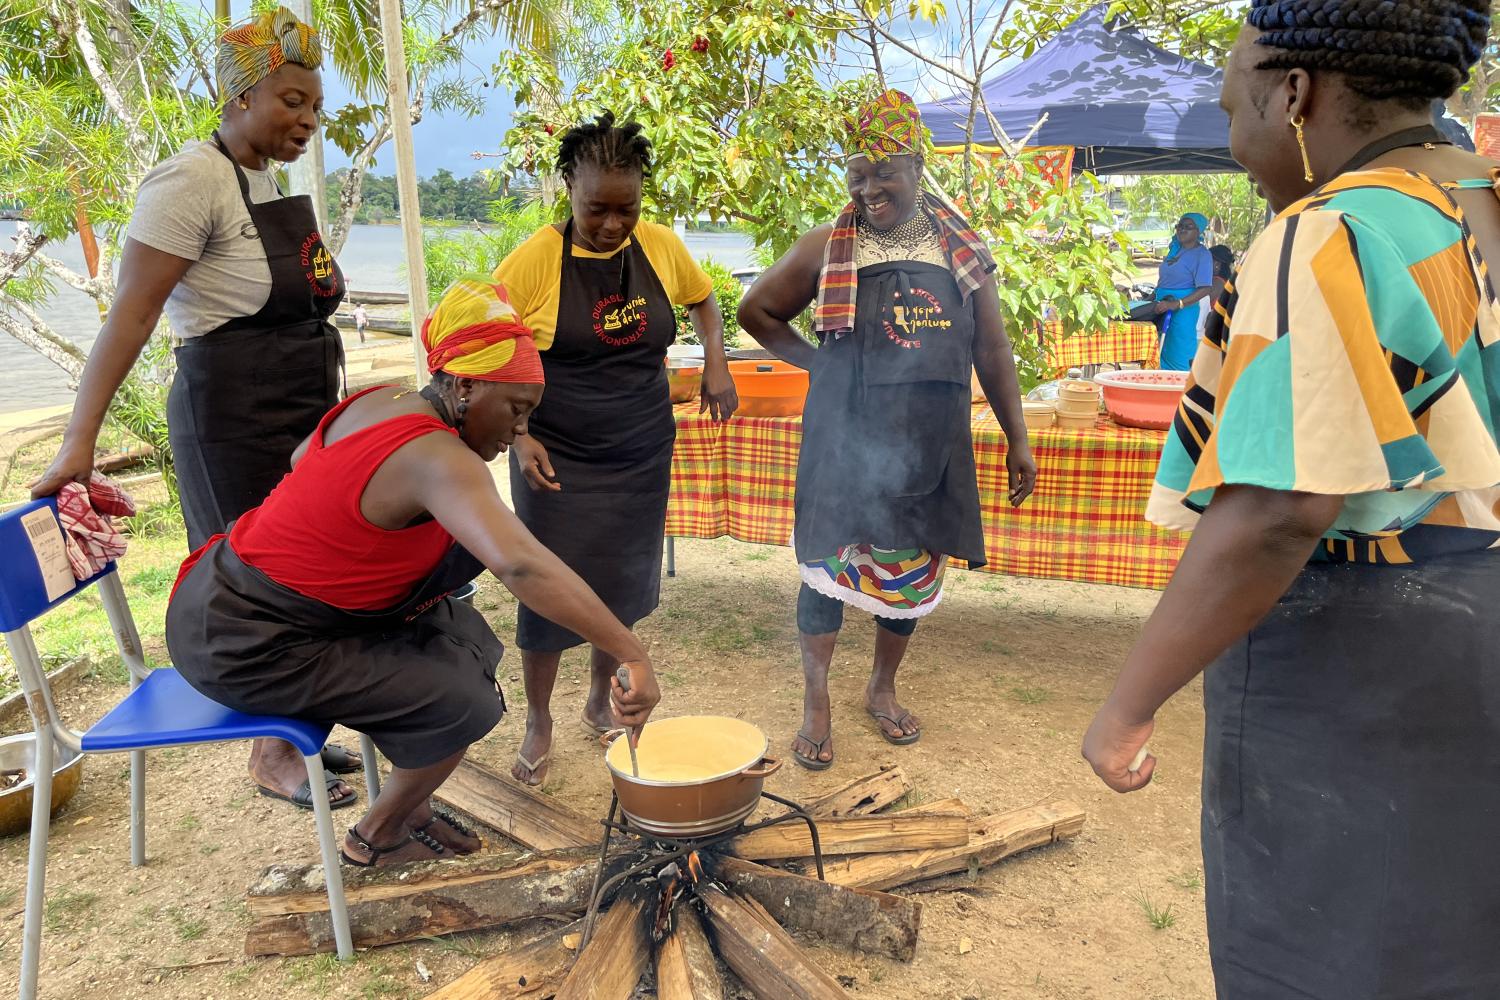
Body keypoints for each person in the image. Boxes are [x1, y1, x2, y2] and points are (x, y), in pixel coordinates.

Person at [1082, 2, 1500, 996]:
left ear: (1296, 96)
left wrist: (1126, 707)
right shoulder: (1470, 204)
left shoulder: (1324, 234)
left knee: (1319, 957)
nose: (1234, 135)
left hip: (1352, 669)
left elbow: (1282, 508)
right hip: (1471, 637)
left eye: (1236, 105)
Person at [165, 277, 661, 866]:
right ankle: (378, 836)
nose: (520, 431)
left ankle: (413, 801)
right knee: (461, 700)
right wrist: (632, 654)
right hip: (248, 640)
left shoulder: (386, 399)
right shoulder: (438, 458)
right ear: (466, 385)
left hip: (215, 596)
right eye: (517, 410)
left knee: (463, 636)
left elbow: (304, 460)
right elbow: (522, 565)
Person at [29, 7, 361, 810]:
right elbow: (132, 315)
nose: (308, 120)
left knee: (308, 568)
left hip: (299, 407)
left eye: (314, 106)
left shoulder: (264, 182)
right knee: (256, 579)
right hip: (232, 415)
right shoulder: (190, 179)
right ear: (239, 96)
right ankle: (273, 751)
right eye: (291, 100)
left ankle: (295, 724)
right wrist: (81, 441)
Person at [738, 91, 1037, 770]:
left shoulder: (960, 249)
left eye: (884, 172)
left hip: (928, 444)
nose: (870, 188)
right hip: (845, 446)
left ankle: (881, 686)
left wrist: (1018, 438)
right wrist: (821, 368)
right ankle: (816, 703)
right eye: (857, 175)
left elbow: (992, 350)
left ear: (917, 165)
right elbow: (756, 311)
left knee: (908, 570)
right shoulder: (828, 246)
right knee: (827, 571)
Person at [492, 112, 737, 786]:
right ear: (567, 187)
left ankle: (599, 699)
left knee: (621, 583)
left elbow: (704, 301)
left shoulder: (658, 246)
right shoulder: (535, 260)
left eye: (624, 208)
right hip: (558, 455)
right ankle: (540, 718)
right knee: (547, 589)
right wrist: (519, 435)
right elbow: (488, 348)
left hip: (640, 446)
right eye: (595, 207)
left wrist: (717, 363)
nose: (609, 223)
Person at [1151, 213, 1214, 371]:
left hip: (1183, 309)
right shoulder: (1174, 249)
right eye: (1180, 226)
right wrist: (1151, 298)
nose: (1182, 229)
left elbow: (1206, 288)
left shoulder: (1202, 254)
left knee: (1179, 355)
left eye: (1188, 226)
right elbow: (1164, 281)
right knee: (1158, 353)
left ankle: (1178, 393)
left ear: (1198, 231)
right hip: (1161, 306)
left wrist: (1177, 304)